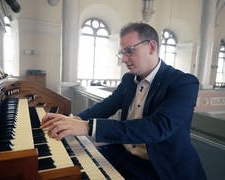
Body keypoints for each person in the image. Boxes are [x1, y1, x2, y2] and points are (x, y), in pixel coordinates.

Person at [41, 22, 207, 180]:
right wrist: (74, 120)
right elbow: (108, 105)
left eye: (129, 51)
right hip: (125, 156)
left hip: (161, 168)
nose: (124, 59)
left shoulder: (183, 83)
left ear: (151, 46)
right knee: (70, 165)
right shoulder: (129, 80)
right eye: (122, 53)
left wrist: (87, 126)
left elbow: (157, 127)